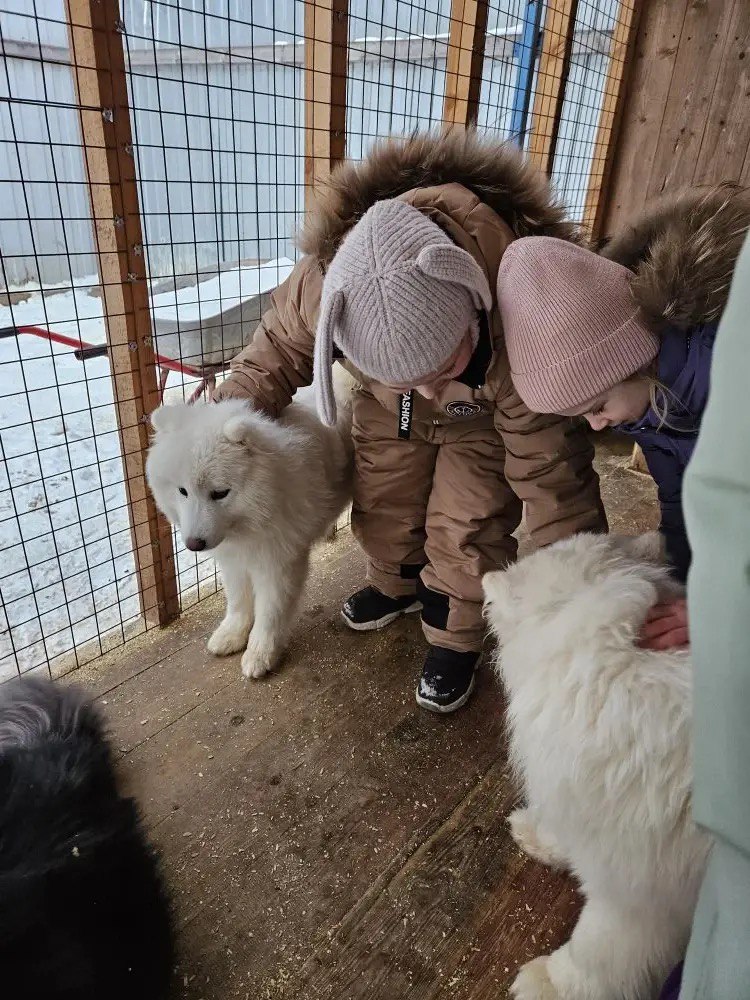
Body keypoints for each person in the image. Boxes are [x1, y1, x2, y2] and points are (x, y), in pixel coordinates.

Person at [213, 130, 606, 713]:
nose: (429, 390)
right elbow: (272, 353)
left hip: (485, 419)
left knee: (468, 520)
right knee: (385, 494)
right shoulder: (323, 285)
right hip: (385, 410)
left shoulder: (523, 308)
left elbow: (551, 471)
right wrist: (220, 419)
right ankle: (396, 583)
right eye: (410, 375)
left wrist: (584, 590)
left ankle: (455, 629)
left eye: (442, 364)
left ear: (469, 299)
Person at [497, 186, 749, 650]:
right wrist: (679, 581)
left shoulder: (735, 370)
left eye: (596, 407)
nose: (596, 426)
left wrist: (726, 604)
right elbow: (682, 500)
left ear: (631, 361)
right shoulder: (649, 411)